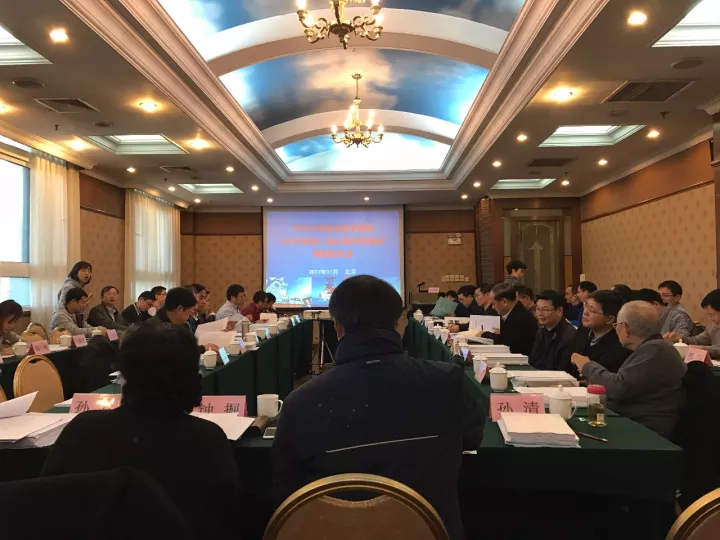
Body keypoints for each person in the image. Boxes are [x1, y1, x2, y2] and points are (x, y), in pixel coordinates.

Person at [273, 275, 485, 540]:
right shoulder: (447, 382)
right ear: (398, 325)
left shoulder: (301, 402)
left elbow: (287, 489)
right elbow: (472, 438)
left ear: (337, 328)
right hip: (429, 532)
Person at [42, 324, 240, 539]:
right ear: (192, 378)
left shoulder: (82, 430)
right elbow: (228, 518)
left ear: (124, 376)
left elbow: (45, 507)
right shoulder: (207, 439)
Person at [572, 301, 687, 439]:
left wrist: (586, 365)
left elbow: (618, 387)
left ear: (625, 328)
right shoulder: (651, 348)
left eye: (616, 325)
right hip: (631, 420)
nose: (616, 330)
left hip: (644, 430)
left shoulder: (656, 350)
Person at [568, 290, 630, 376]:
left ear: (610, 319)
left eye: (592, 310)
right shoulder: (583, 329)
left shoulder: (621, 344)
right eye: (586, 306)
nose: (585, 312)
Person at [147, 287, 218, 354]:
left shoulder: (172, 321)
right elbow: (175, 353)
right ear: (180, 309)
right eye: (190, 310)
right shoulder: (155, 329)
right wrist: (202, 349)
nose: (190, 315)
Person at [481, 283, 538, 356]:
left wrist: (489, 335)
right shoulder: (511, 312)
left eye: (494, 303)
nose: (492, 307)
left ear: (504, 301)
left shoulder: (520, 318)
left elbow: (505, 344)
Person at [529, 290, 576, 370]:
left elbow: (562, 371)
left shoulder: (568, 336)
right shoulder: (542, 330)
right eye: (538, 309)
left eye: (545, 309)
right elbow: (533, 360)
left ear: (559, 311)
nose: (540, 314)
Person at [666, 289, 720, 358]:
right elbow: (697, 340)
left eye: (712, 314)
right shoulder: (713, 327)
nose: (710, 318)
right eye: (708, 315)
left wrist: (701, 349)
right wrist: (679, 339)